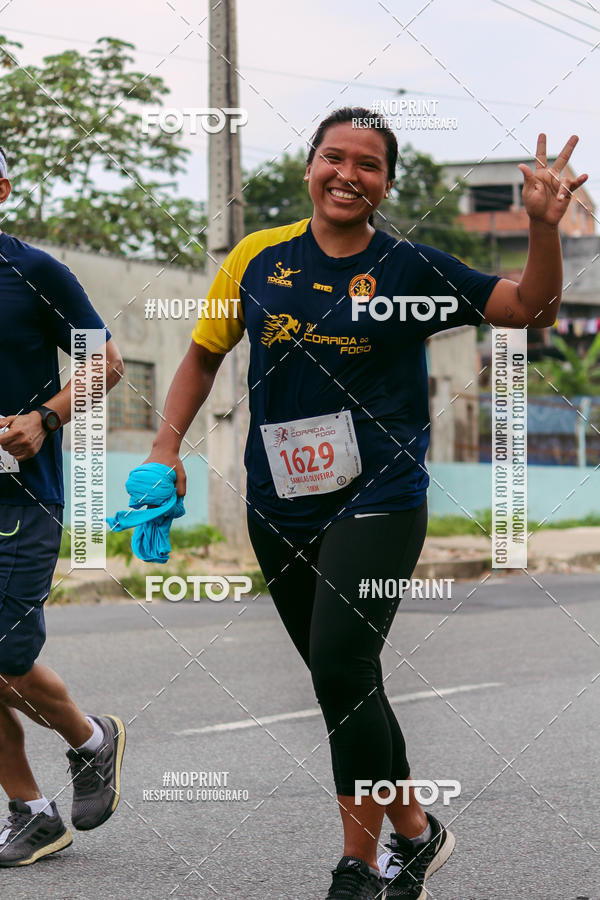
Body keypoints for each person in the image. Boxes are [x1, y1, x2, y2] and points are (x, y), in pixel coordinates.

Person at [145, 109, 586, 898]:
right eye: (333, 157)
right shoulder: (256, 258)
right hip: (279, 499)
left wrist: (543, 228)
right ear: (310, 165)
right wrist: (162, 451)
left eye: (369, 164)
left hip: (380, 495)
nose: (348, 174)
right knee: (342, 676)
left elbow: (531, 310)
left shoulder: (413, 269)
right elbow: (203, 354)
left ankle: (361, 862)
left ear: (387, 182)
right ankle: (417, 830)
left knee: (344, 665)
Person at [0, 145, 127, 866]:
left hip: (23, 497)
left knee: (7, 655)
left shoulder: (35, 273)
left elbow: (104, 362)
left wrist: (43, 418)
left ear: (3, 189)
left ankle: (89, 739)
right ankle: (31, 811)